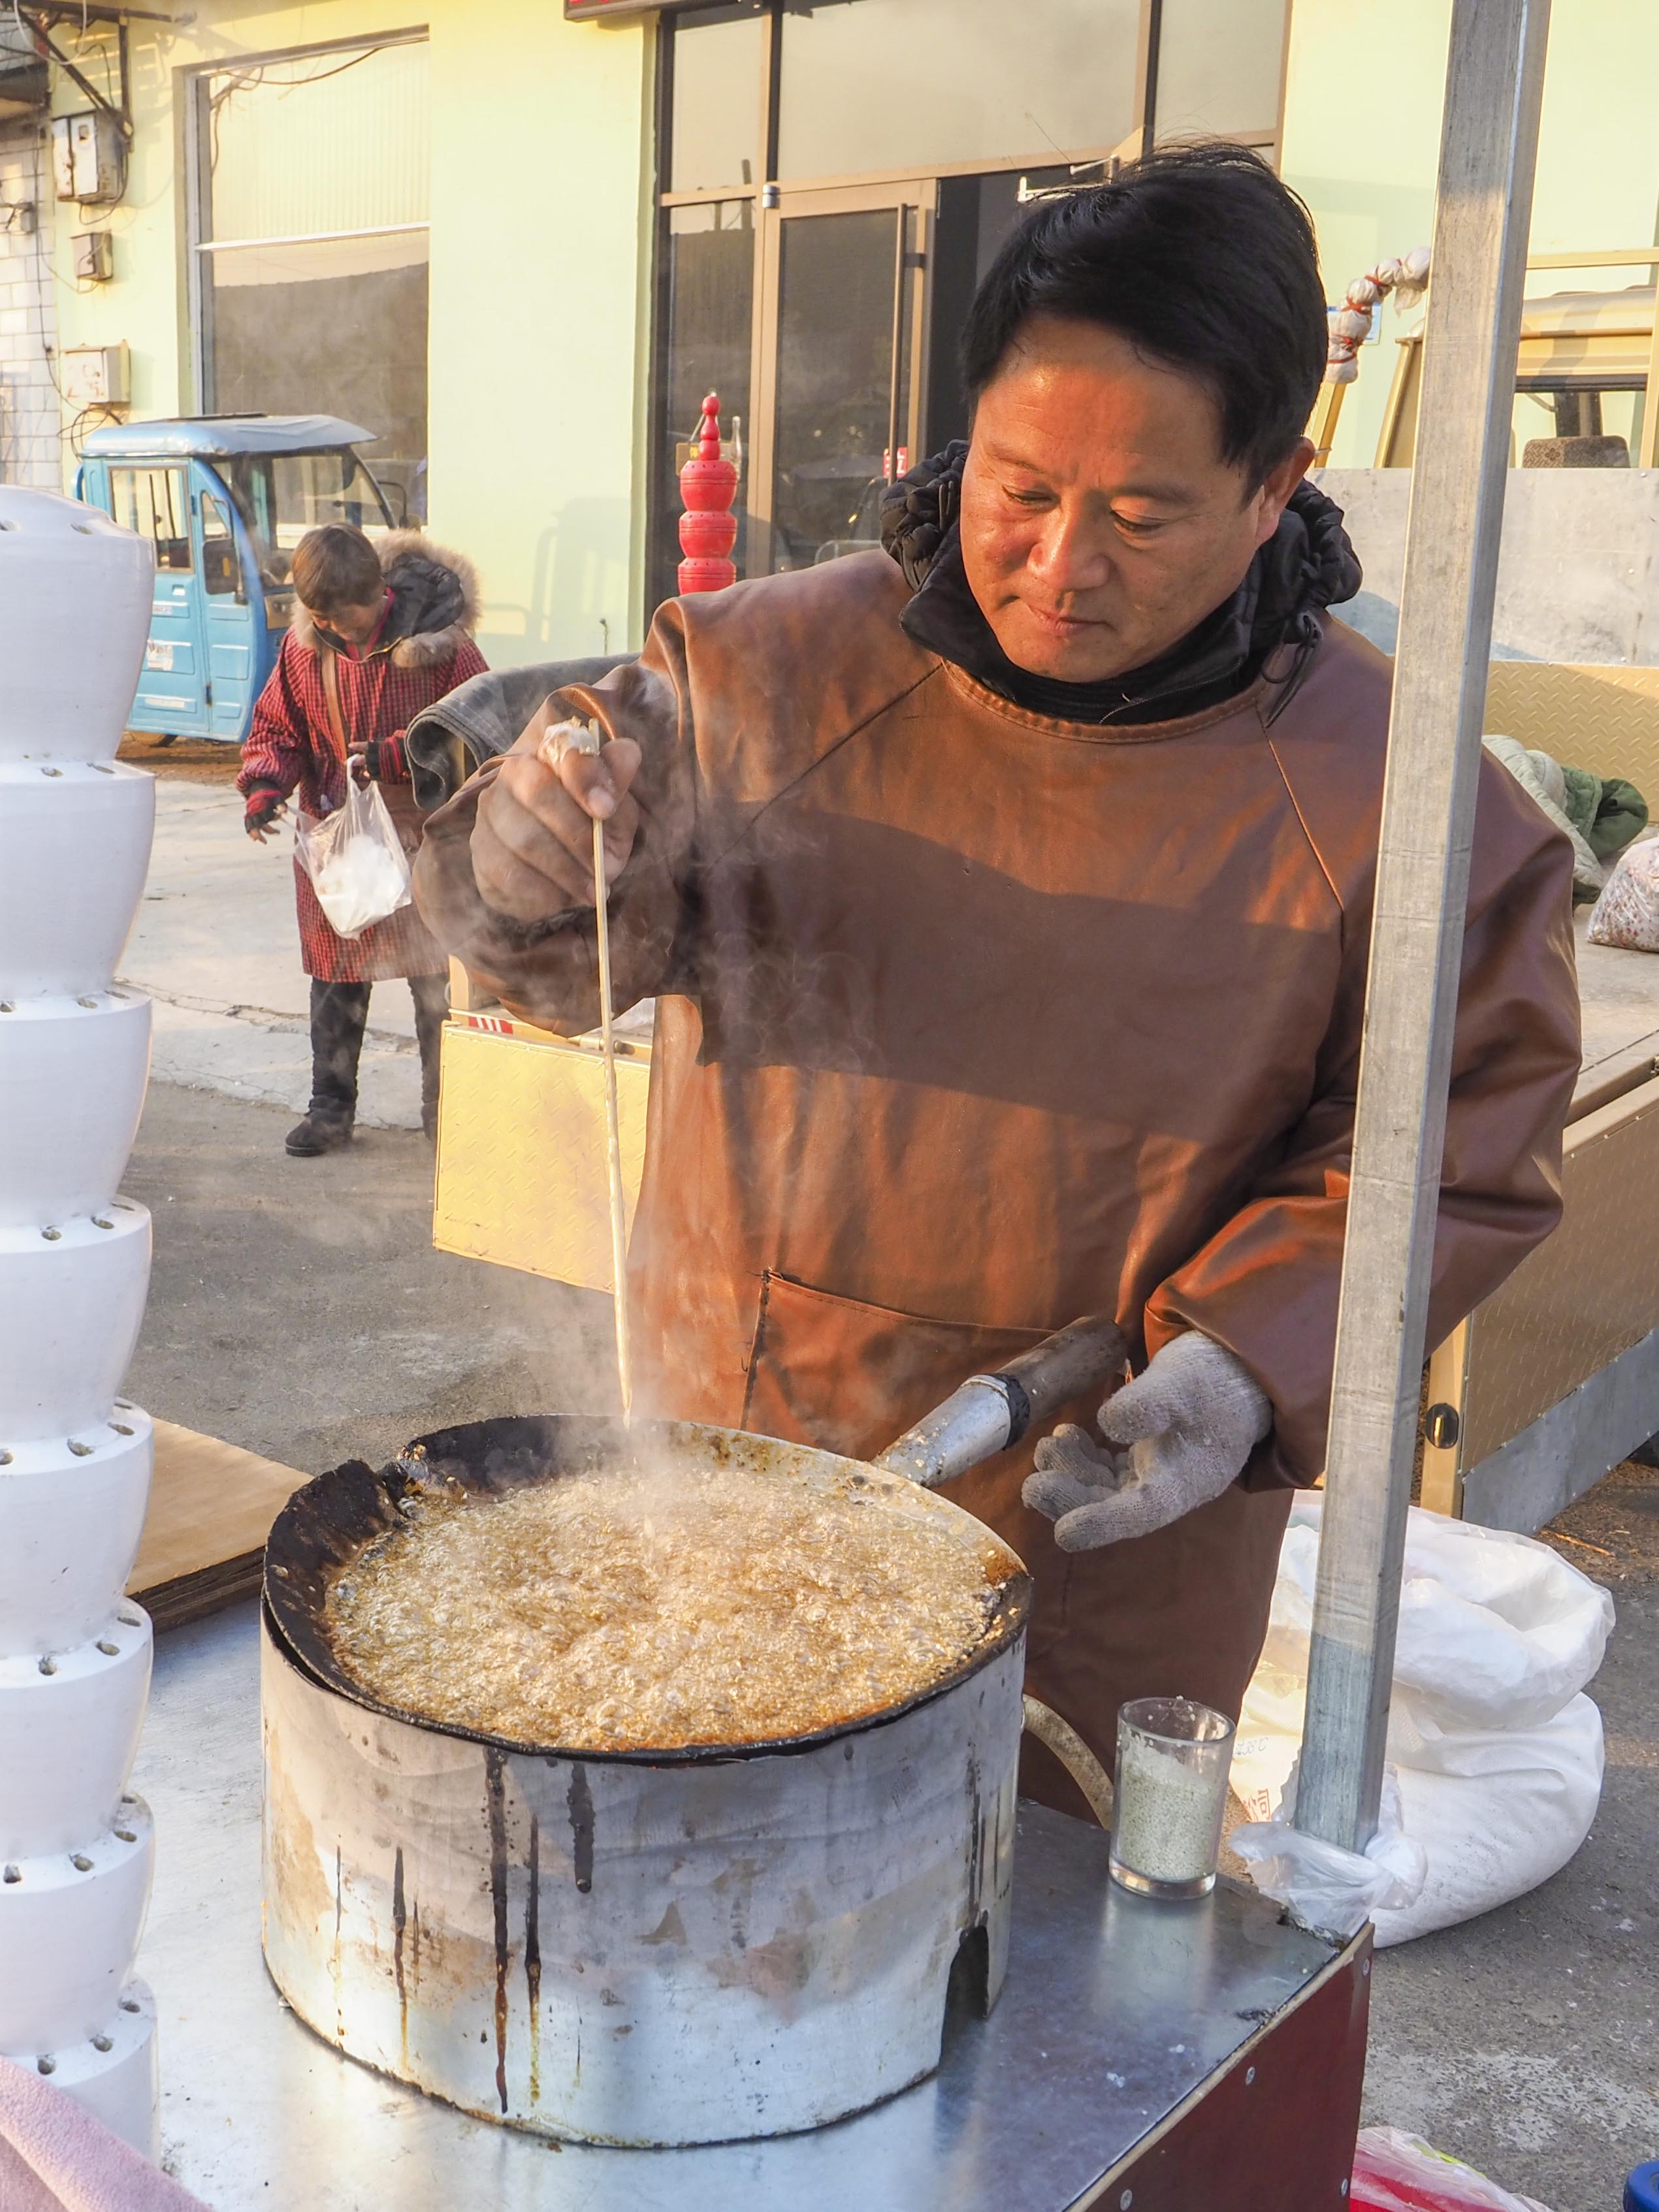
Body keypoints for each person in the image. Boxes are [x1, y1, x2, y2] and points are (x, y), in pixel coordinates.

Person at [411, 145, 1579, 1814]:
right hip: (730, 1490)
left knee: (1030, 1989)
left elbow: (1453, 1149)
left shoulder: (1403, 804)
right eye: (1018, 489)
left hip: (1102, 1529)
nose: (1057, 565)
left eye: (1139, 513)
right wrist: (518, 862)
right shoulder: (754, 673)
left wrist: (1248, 1357)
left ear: (1274, 486)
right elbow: (534, 947)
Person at [238, 522, 486, 1155]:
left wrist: (399, 756)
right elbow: (277, 727)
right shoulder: (304, 651)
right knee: (336, 978)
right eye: (322, 620)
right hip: (340, 841)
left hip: (426, 836)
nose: (338, 632)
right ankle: (329, 1110)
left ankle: (449, 1111)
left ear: (382, 594)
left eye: (347, 620)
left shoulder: (446, 648)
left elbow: (485, 732)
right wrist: (264, 786)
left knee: (437, 983)